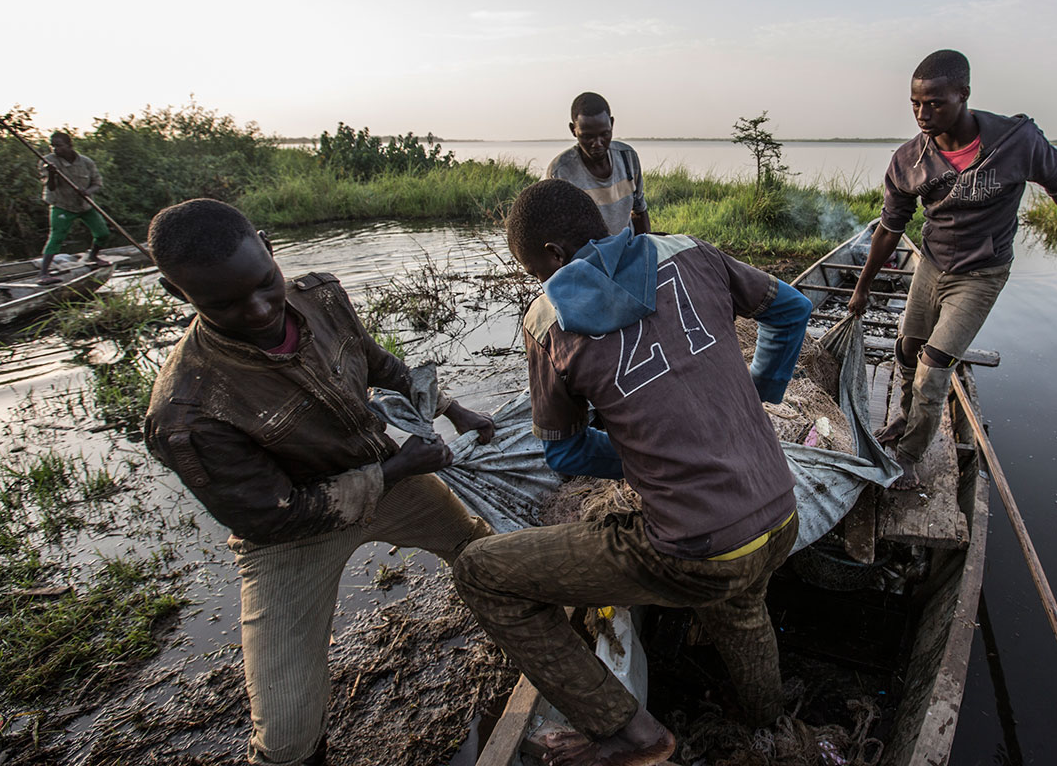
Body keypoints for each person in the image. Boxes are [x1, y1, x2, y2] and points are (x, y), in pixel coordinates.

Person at [453, 179, 813, 766]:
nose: (539, 284)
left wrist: (649, 460)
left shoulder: (548, 320)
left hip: (694, 547)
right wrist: (759, 394)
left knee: (480, 573)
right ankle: (765, 723)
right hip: (779, 513)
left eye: (532, 271)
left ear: (549, 255)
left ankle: (625, 730)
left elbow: (565, 454)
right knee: (741, 601)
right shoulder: (689, 251)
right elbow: (792, 309)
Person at [143, 198, 496, 766]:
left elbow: (377, 363)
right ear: (176, 293)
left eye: (265, 283)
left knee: (483, 553)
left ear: (267, 246)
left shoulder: (323, 297)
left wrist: (452, 408)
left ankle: (517, 632)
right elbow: (271, 516)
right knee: (285, 737)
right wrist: (396, 469)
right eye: (225, 304)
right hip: (293, 538)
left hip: (393, 482)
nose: (259, 311)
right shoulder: (187, 410)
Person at [848, 49, 1057, 490]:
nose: (923, 113)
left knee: (933, 368)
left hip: (981, 274)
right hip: (932, 265)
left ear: (964, 95)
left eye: (935, 103)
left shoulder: (1017, 141)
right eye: (915, 103)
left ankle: (910, 456)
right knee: (907, 348)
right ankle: (906, 416)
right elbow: (889, 229)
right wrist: (862, 288)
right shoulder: (908, 160)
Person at [546, 92, 651, 236]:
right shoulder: (560, 172)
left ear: (612, 124)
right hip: (587, 256)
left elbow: (639, 210)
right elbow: (557, 232)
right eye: (588, 136)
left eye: (605, 134)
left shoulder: (627, 157)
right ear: (573, 130)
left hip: (628, 250)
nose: (597, 144)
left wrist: (645, 250)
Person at [37, 131, 112, 284]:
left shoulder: (86, 162)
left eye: (59, 145)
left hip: (84, 205)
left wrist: (87, 192)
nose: (55, 149)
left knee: (103, 233)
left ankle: (93, 255)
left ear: (69, 145)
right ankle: (44, 274)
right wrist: (52, 174)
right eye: (53, 146)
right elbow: (50, 188)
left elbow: (97, 183)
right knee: (56, 238)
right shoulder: (48, 161)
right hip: (62, 205)